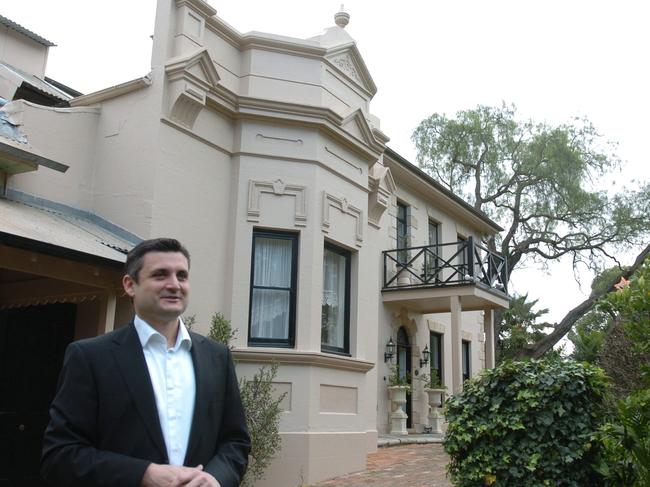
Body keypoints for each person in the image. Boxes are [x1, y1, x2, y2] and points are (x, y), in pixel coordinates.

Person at [41, 238, 250, 487]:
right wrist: (143, 474)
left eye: (182, 276)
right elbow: (60, 455)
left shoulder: (217, 357)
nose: (174, 285)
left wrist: (216, 478)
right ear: (130, 285)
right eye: (160, 275)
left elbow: (235, 442)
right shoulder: (90, 357)